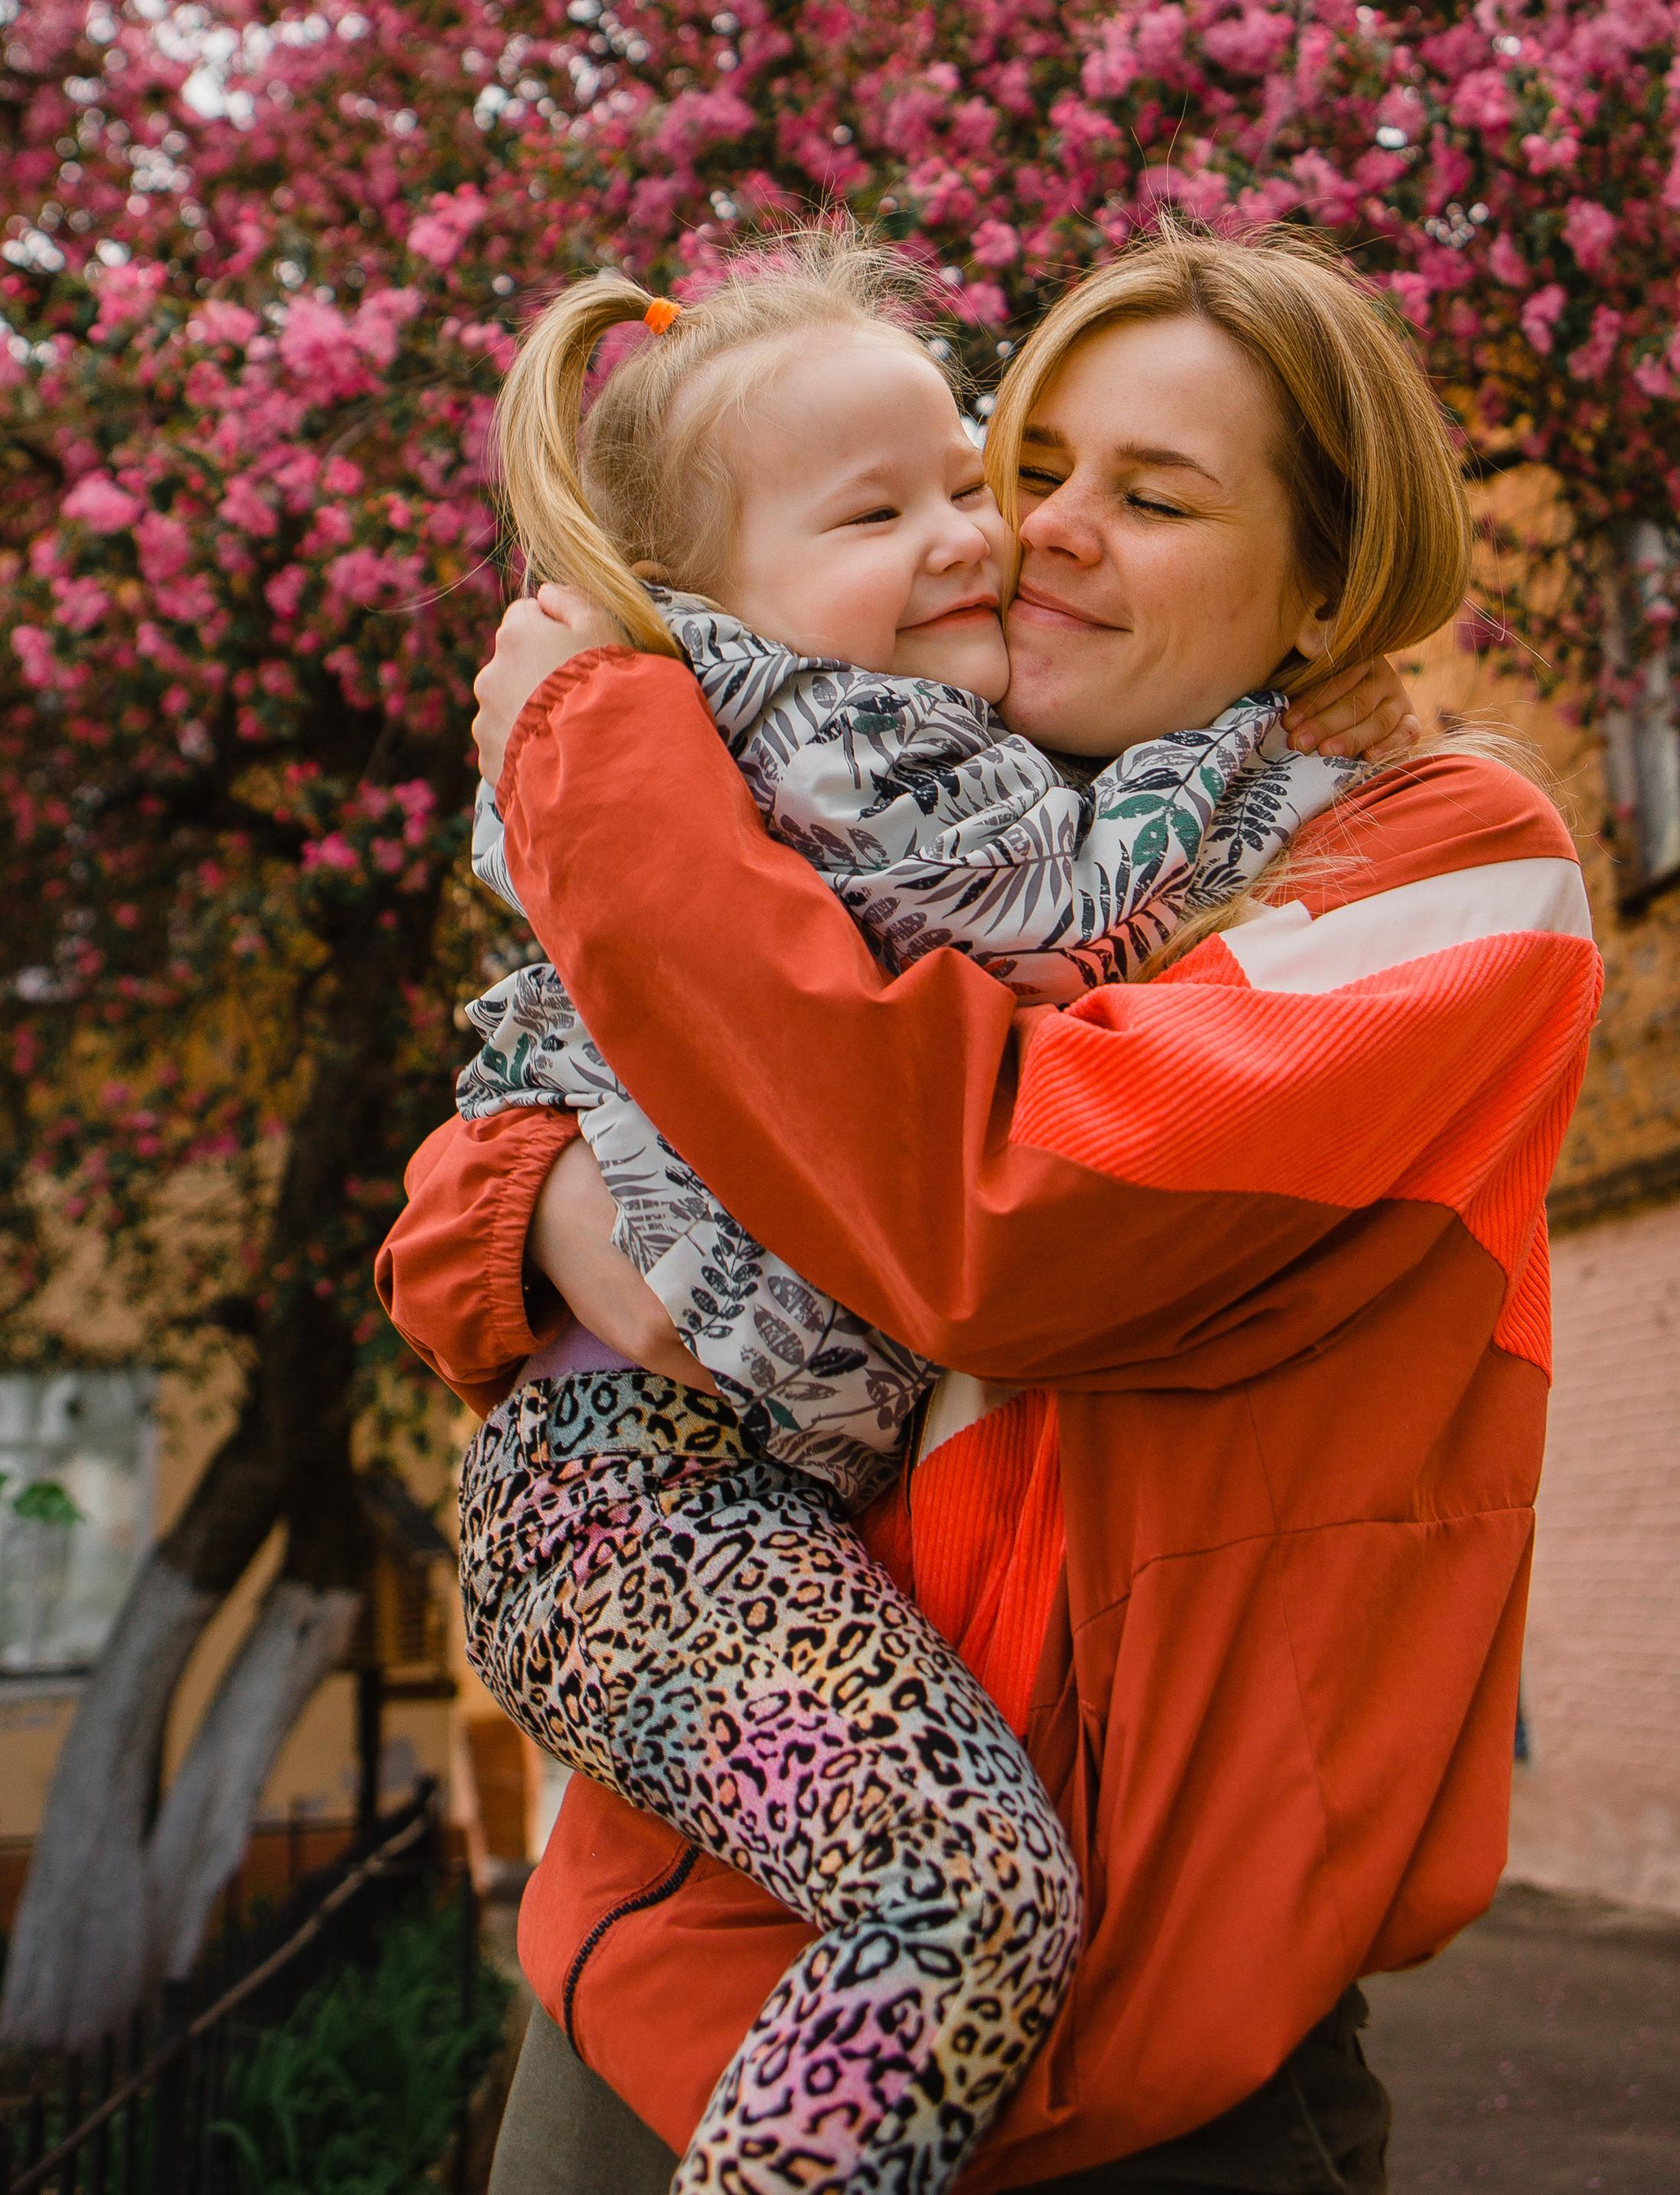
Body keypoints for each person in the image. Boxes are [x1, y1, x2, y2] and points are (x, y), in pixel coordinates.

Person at [379, 225, 1604, 2195]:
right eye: (1025, 465)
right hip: (680, 1968)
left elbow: (997, 1227)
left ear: (1319, 587)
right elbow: (498, 1154)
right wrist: (520, 1211)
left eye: (1155, 494)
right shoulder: (910, 787)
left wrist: (593, 729)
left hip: (1150, 2043)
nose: (1036, 536)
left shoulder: (1445, 861)